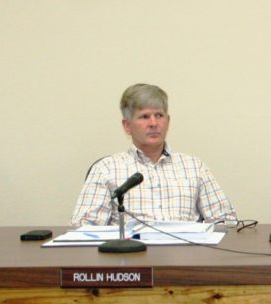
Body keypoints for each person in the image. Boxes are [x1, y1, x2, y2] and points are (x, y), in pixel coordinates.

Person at [72, 83, 235, 226]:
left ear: (168, 122)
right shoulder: (106, 169)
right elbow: (84, 227)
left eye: (159, 115)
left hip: (184, 257)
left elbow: (226, 221)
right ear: (127, 126)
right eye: (144, 117)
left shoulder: (194, 167)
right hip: (130, 257)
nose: (153, 123)